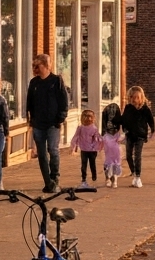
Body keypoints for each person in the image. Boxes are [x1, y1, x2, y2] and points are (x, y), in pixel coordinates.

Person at [25, 53, 69, 193]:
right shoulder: (34, 83)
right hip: (38, 123)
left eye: (37, 66)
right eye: (33, 66)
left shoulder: (56, 81)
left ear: (45, 65)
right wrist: (30, 119)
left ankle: (55, 178)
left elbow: (63, 101)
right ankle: (48, 182)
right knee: (42, 154)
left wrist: (60, 118)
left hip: (52, 124)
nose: (35, 69)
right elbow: (29, 102)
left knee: (53, 151)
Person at [113, 86, 155, 188]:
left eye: (137, 97)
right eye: (132, 97)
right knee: (128, 156)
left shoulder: (145, 109)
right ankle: (134, 172)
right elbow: (124, 119)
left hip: (140, 135)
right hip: (129, 134)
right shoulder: (128, 108)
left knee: (137, 156)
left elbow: (150, 120)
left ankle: (137, 177)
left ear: (141, 98)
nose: (134, 100)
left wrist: (153, 129)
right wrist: (116, 121)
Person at [68, 109, 102, 189]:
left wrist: (99, 144)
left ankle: (94, 175)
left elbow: (97, 138)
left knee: (92, 164)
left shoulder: (94, 128)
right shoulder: (80, 128)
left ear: (93, 118)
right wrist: (73, 146)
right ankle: (84, 178)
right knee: (83, 165)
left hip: (92, 150)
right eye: (86, 117)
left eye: (90, 117)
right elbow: (75, 137)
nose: (88, 119)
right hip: (84, 150)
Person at [101, 110, 125, 188]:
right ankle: (108, 179)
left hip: (116, 153)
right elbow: (101, 141)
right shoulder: (105, 135)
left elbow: (121, 138)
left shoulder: (117, 133)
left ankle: (114, 180)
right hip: (108, 153)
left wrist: (124, 135)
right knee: (108, 166)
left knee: (115, 166)